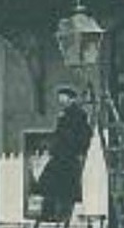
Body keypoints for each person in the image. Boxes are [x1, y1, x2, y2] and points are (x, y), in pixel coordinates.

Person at [35, 86, 94, 221]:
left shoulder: (77, 114)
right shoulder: (66, 114)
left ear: (70, 98)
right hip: (61, 154)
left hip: (68, 155)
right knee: (50, 184)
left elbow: (82, 135)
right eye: (59, 97)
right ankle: (49, 213)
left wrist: (77, 150)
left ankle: (59, 215)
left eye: (63, 97)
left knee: (62, 187)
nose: (60, 100)